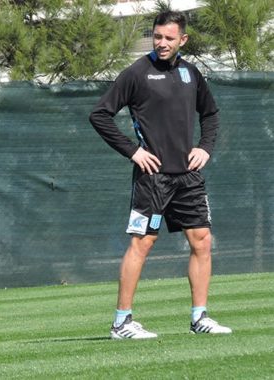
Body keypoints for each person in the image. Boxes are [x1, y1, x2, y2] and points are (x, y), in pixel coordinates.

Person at [89, 10, 232, 339]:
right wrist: (133, 151)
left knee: (202, 242)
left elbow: (210, 113)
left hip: (188, 177)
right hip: (152, 179)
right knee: (142, 243)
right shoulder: (137, 73)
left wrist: (205, 147)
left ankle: (199, 318)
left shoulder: (191, 73)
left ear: (183, 40)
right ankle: (121, 323)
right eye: (157, 37)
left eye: (169, 38)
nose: (162, 43)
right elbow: (100, 115)